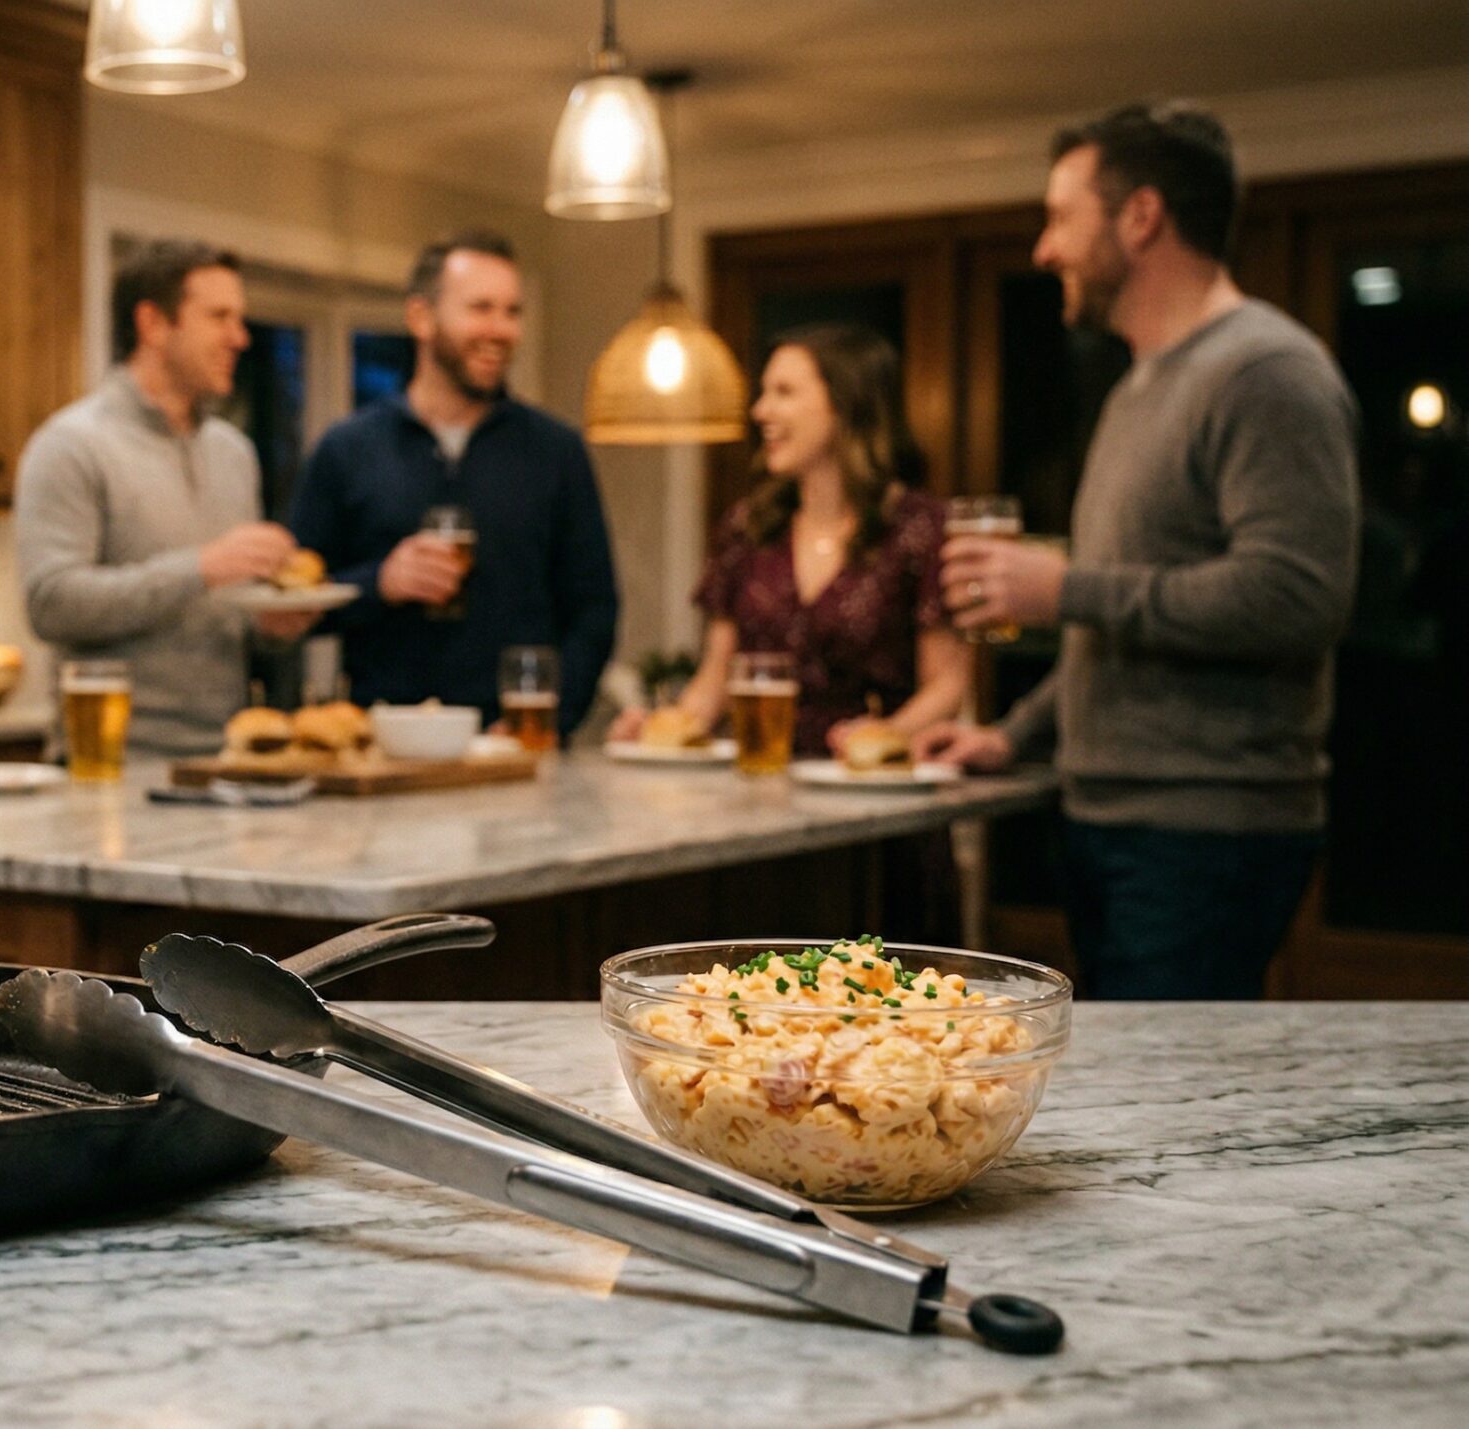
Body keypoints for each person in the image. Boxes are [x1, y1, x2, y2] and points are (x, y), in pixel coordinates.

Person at [915, 101, 1361, 999]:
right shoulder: (1135, 388)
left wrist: (1066, 586)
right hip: (1110, 816)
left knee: (1167, 1115)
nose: (1044, 250)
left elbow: (1296, 596)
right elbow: (1120, 624)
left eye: (1060, 218)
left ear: (1141, 216)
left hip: (1206, 831)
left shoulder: (1267, 372)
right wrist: (1014, 734)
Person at [288, 230, 616, 742]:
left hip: (516, 748)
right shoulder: (348, 448)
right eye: (481, 308)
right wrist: (381, 583)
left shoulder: (557, 451)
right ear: (421, 318)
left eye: (512, 312)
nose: (501, 329)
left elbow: (595, 609)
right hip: (384, 748)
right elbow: (296, 607)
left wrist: (553, 715)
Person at [612, 324, 969, 756]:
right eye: (763, 393)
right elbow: (716, 680)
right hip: (763, 787)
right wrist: (660, 732)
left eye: (783, 392)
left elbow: (948, 685)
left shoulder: (920, 529)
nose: (761, 411)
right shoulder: (749, 527)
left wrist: (881, 739)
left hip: (875, 795)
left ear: (844, 404)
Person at [16, 239, 315, 754]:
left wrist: (270, 626)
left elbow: (220, 615)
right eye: (219, 317)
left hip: (225, 756)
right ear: (153, 324)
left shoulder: (233, 454)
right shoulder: (71, 444)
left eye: (240, 319)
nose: (240, 338)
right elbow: (52, 604)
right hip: (112, 759)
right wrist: (201, 567)